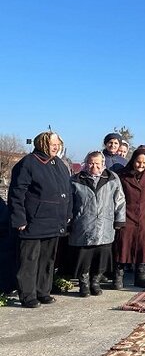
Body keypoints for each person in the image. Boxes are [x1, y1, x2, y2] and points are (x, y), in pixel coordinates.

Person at [9, 131, 72, 308]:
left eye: (58, 143)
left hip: (54, 220)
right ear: (42, 143)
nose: (56, 146)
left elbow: (68, 192)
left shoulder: (59, 164)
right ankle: (28, 296)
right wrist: (19, 218)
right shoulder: (28, 163)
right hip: (33, 221)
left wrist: (68, 214)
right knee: (29, 260)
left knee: (47, 259)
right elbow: (17, 193)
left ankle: (43, 291)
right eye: (52, 143)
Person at [69, 151, 126, 296]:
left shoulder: (112, 178)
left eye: (97, 163)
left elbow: (119, 200)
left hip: (105, 224)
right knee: (84, 257)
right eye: (90, 163)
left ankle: (95, 282)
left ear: (103, 164)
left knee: (101, 256)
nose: (94, 166)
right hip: (83, 224)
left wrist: (119, 220)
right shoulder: (75, 180)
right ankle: (84, 283)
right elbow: (69, 203)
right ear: (86, 163)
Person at [113, 149, 145, 289]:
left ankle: (140, 276)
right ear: (133, 160)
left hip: (144, 215)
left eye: (144, 162)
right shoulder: (122, 175)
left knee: (142, 246)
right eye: (138, 162)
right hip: (125, 213)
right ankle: (118, 277)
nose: (141, 165)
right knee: (123, 244)